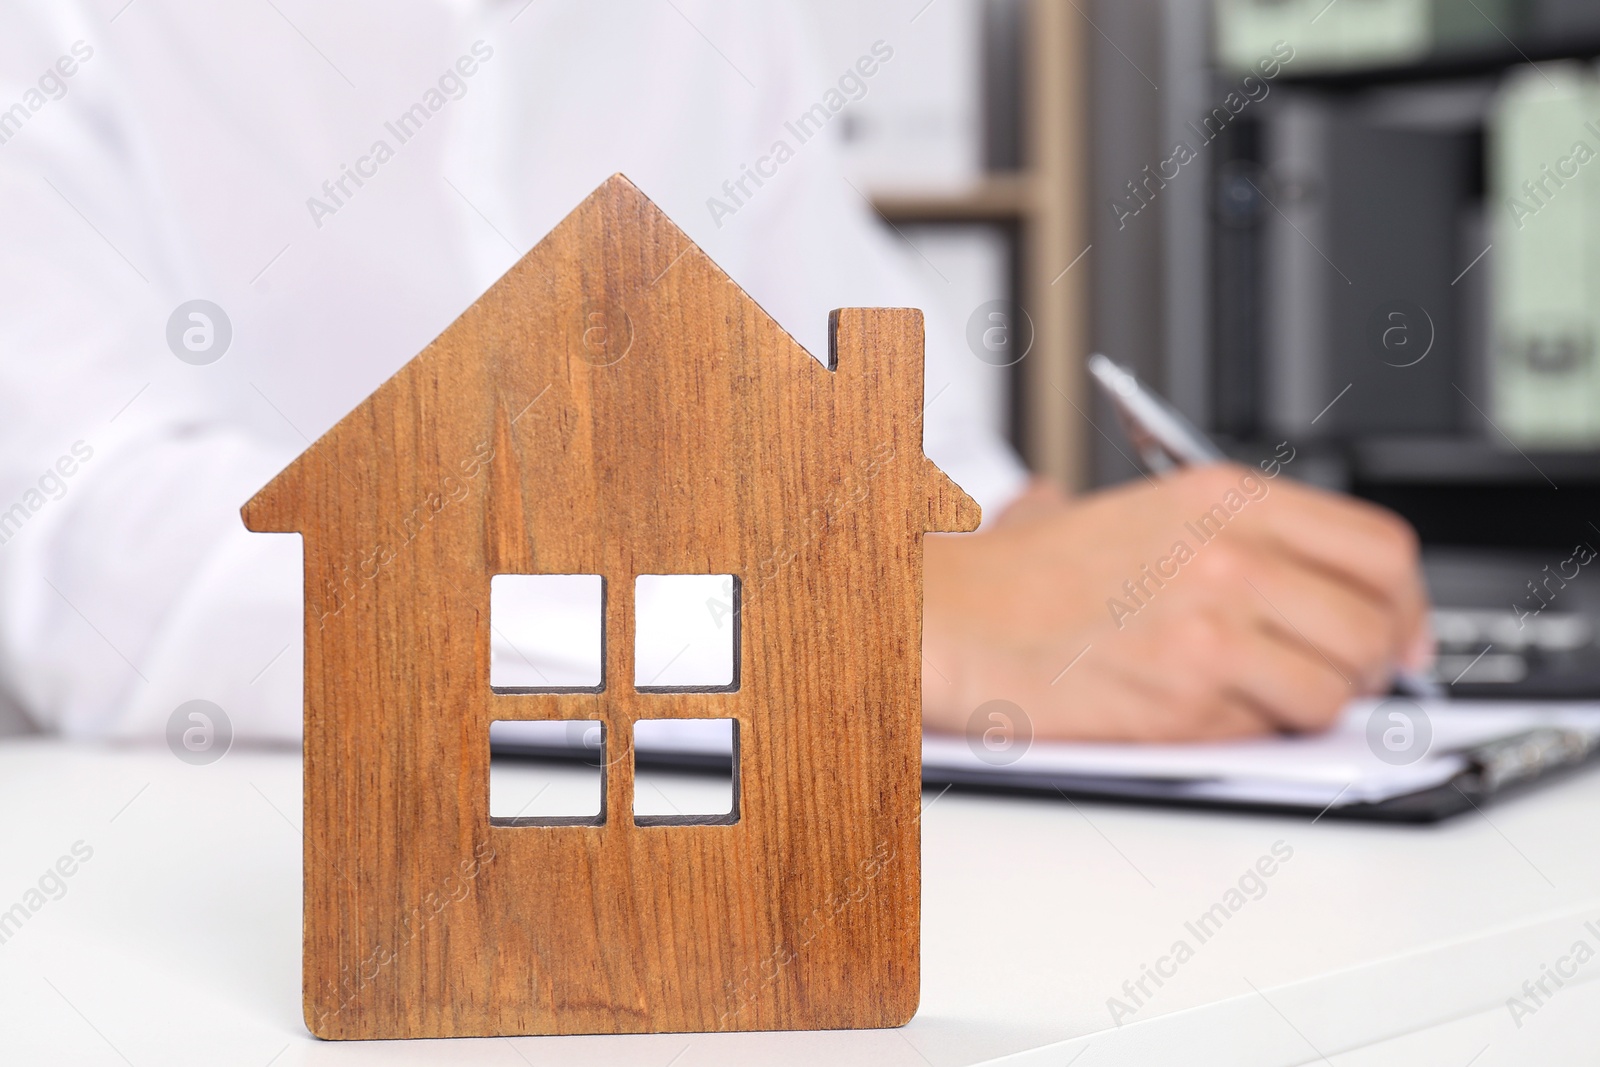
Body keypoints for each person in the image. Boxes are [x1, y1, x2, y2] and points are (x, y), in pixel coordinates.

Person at [0, 0, 1428, 744]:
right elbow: (96, 571)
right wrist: (857, 616)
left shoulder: (708, 24)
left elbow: (910, 456)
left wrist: (1077, 565)